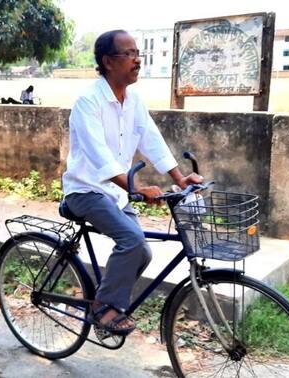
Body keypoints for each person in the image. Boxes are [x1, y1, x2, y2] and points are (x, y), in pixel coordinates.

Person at [61, 30, 202, 335]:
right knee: (132, 241)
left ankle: (107, 301)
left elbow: (151, 139)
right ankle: (104, 308)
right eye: (129, 54)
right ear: (108, 62)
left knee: (143, 252)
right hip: (85, 190)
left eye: (138, 53)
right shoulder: (88, 102)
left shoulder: (133, 99)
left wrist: (179, 177)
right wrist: (135, 188)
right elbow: (100, 158)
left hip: (114, 193)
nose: (138, 60)